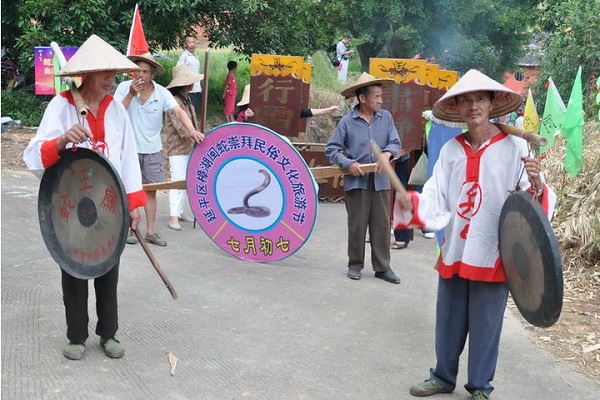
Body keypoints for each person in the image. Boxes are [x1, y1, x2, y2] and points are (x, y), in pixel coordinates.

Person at [393, 69, 556, 399]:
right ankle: (442, 376)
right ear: (458, 107)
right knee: (449, 319)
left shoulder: (514, 148)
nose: (473, 106)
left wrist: (536, 182)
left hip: (494, 251)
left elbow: (530, 207)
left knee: (486, 324)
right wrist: (411, 204)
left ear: (491, 102)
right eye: (465, 100)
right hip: (456, 246)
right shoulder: (452, 150)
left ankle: (480, 386)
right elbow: (436, 196)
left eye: (479, 98)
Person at [23, 34, 147, 361]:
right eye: (105, 73)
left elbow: (128, 157)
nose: (112, 80)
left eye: (113, 73)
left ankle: (109, 333)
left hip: (108, 205)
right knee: (74, 270)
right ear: (87, 74)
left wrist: (133, 205)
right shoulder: (61, 106)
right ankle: (76, 335)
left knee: (109, 269)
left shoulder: (116, 112)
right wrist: (64, 139)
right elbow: (34, 157)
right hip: (70, 207)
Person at [114, 52, 203, 247]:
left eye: (145, 72)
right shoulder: (123, 88)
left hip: (153, 150)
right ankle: (130, 229)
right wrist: (130, 94)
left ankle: (150, 232)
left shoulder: (161, 93)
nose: (140, 76)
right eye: (137, 71)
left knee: (151, 191)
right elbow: (115, 113)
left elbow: (178, 111)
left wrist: (192, 130)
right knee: (127, 189)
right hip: (128, 150)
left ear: (152, 74)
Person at [325, 72, 402, 284]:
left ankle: (383, 267)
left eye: (380, 96)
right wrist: (348, 163)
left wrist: (386, 154)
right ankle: (355, 264)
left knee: (382, 225)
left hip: (380, 181)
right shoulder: (347, 123)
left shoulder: (385, 117)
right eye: (376, 96)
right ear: (362, 98)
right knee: (357, 225)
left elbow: (395, 143)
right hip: (356, 180)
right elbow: (332, 149)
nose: (380, 100)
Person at [163, 65, 204, 231]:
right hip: (177, 148)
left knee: (185, 181)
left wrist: (196, 135)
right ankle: (173, 216)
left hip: (189, 147)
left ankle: (180, 212)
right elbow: (181, 129)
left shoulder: (188, 102)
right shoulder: (174, 103)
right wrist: (195, 135)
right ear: (187, 85)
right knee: (176, 181)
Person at [235, 84, 341, 122]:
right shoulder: (242, 114)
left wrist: (327, 110)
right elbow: (239, 134)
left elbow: (302, 113)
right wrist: (247, 119)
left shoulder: (270, 110)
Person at [176, 35, 203, 116]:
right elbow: (178, 70)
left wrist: (199, 86)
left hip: (196, 88)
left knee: (194, 111)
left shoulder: (195, 56)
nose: (192, 44)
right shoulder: (184, 56)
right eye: (190, 42)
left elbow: (196, 72)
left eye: (193, 42)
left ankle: (193, 127)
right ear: (185, 45)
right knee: (189, 112)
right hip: (189, 90)